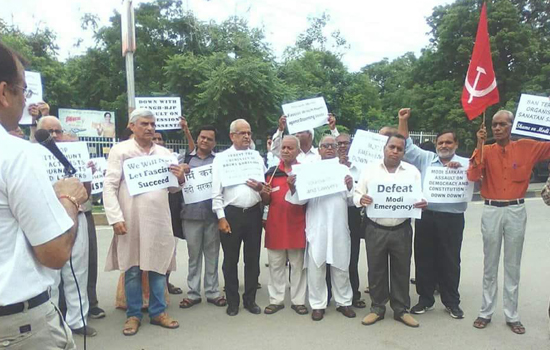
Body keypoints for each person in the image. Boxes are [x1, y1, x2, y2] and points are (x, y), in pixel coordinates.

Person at [0, 40, 87, 349]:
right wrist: (69, 199)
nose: (26, 100)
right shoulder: (16, 154)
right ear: (3, 92)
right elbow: (54, 253)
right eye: (24, 90)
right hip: (17, 327)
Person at [103, 108, 186, 335]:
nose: (150, 128)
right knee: (132, 267)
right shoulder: (120, 151)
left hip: (158, 219)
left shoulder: (164, 153)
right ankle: (133, 315)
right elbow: (109, 186)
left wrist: (180, 177)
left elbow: (173, 188)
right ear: (132, 126)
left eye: (152, 124)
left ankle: (158, 312)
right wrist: (115, 217)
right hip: (129, 220)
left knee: (158, 265)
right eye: (144, 124)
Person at [468, 110, 550, 335]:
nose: (497, 128)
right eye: (494, 124)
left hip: (516, 209)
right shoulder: (486, 150)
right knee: (490, 264)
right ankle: (486, 311)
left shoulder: (527, 147)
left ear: (512, 126)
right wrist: (480, 144)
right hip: (491, 209)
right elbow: (473, 177)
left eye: (502, 124)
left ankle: (512, 315)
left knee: (512, 265)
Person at [397, 108, 468, 319]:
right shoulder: (426, 159)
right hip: (427, 217)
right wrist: (403, 120)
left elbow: (477, 178)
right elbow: (406, 144)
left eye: (448, 143)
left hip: (452, 219)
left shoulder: (465, 164)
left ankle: (451, 302)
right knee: (424, 258)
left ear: (456, 145)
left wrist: (461, 170)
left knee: (450, 260)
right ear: (436, 145)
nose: (444, 146)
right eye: (441, 143)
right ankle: (425, 299)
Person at [354, 133, 427, 328]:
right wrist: (361, 200)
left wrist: (422, 202)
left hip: (401, 229)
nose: (395, 151)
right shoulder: (369, 170)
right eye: (391, 147)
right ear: (384, 148)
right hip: (375, 229)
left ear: (404, 151)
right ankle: (377, 308)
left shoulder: (412, 172)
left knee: (401, 270)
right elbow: (357, 193)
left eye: (399, 149)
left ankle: (401, 309)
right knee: (376, 270)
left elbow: (418, 196)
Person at [35, 116, 99, 336]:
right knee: (50, 274)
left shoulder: (74, 156)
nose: (54, 136)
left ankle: (78, 320)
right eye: (49, 132)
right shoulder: (31, 157)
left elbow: (86, 194)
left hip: (75, 217)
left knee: (77, 270)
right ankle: (51, 321)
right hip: (45, 218)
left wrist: (88, 174)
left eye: (58, 131)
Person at [286, 135, 356, 321]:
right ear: (319, 149)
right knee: (317, 265)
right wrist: (293, 188)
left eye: (332, 145)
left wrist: (350, 187)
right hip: (317, 224)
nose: (329, 148)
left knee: (341, 264)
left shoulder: (343, 170)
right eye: (325, 146)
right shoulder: (309, 170)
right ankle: (318, 304)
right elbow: (300, 199)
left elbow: (352, 201)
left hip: (339, 224)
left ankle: (344, 302)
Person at [211, 119, 266, 316]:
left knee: (252, 259)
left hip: (253, 213)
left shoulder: (256, 158)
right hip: (231, 214)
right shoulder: (221, 159)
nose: (247, 136)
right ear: (232, 136)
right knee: (230, 260)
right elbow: (216, 192)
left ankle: (250, 300)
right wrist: (221, 217)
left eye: (249, 133)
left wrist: (261, 188)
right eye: (242, 133)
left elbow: (264, 188)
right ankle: (232, 301)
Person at [179, 125, 227, 309]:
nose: (205, 141)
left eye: (209, 138)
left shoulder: (219, 162)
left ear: (214, 143)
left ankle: (213, 292)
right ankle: (192, 293)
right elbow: (176, 184)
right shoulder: (185, 160)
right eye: (202, 137)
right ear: (197, 139)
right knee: (193, 256)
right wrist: (181, 174)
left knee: (212, 255)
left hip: (213, 216)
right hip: (190, 215)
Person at [261, 135, 308, 315]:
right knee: (275, 265)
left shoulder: (304, 172)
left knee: (298, 266)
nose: (286, 151)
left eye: (290, 148)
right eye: (284, 148)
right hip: (276, 225)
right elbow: (266, 201)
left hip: (297, 225)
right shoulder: (271, 172)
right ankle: (276, 299)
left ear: (297, 151)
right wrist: (264, 193)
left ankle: (298, 301)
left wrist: (294, 187)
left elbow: (307, 199)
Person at [335, 132, 366, 309]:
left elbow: (361, 193)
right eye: (339, 144)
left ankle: (354, 294)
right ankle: (331, 292)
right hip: (333, 213)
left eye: (345, 143)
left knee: (352, 255)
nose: (342, 146)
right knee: (332, 254)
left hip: (352, 213)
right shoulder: (327, 166)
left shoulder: (359, 168)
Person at [271, 113, 340, 163]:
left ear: (309, 135)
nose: (296, 135)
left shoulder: (320, 154)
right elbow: (275, 149)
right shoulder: (290, 153)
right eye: (295, 133)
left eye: (300, 132)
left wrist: (333, 129)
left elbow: (339, 149)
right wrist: (280, 130)